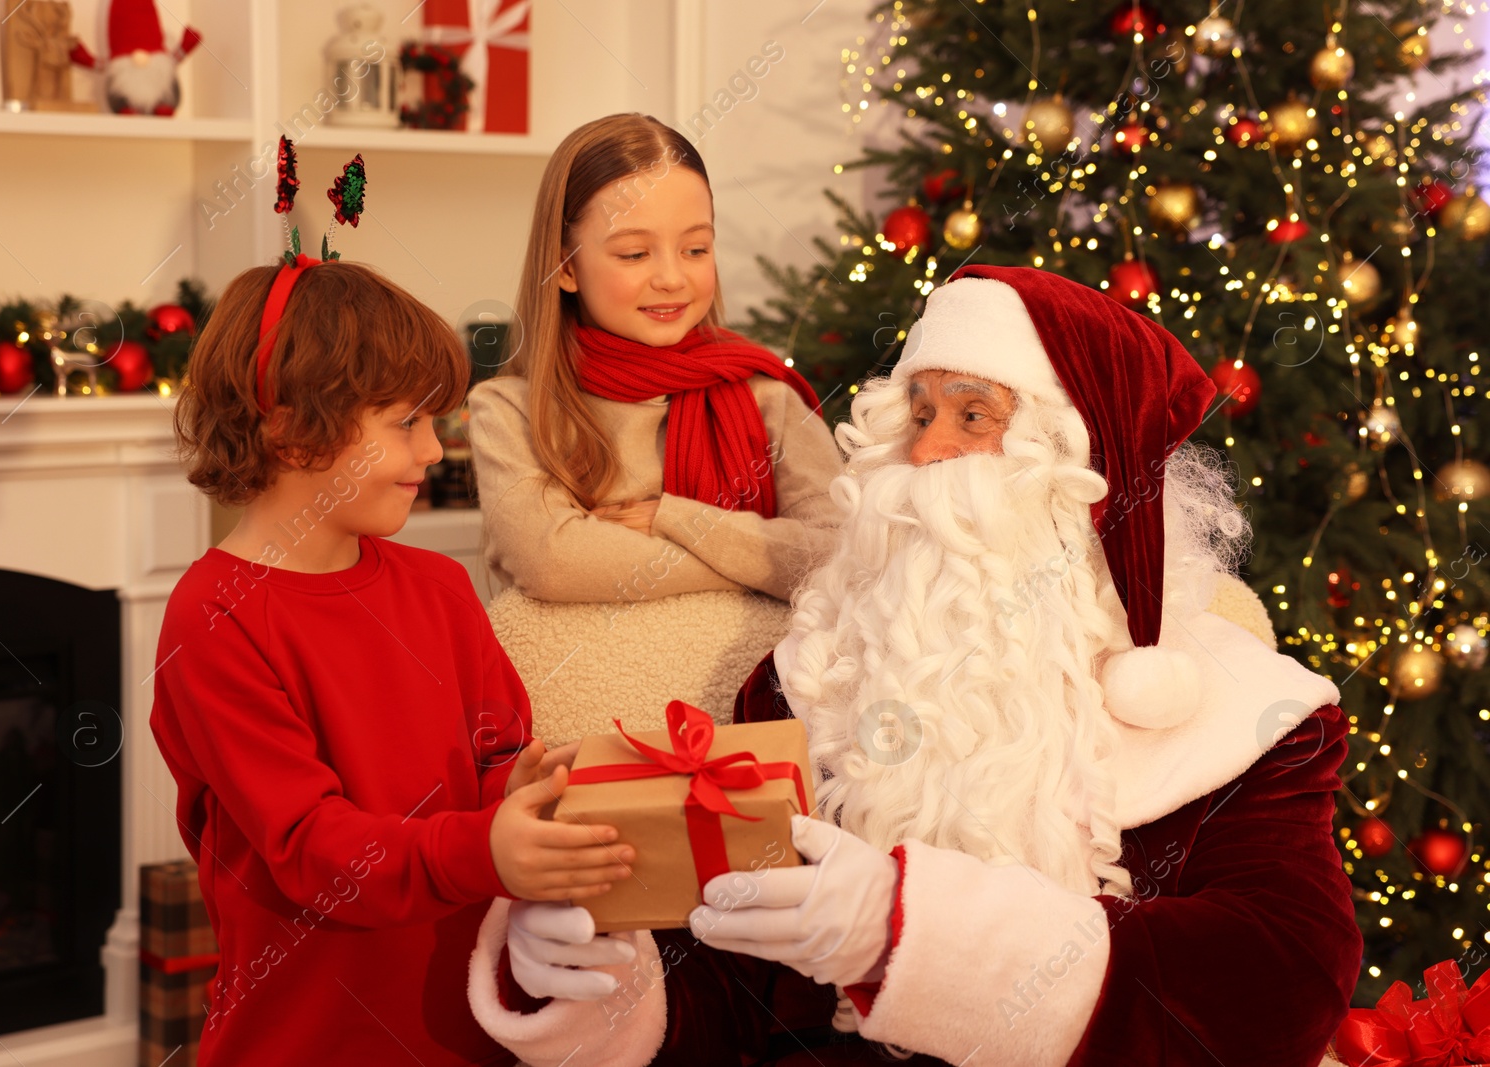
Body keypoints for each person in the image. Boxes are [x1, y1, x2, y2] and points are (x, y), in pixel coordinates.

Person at [464, 266, 1363, 1066]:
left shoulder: (1248, 711)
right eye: (919, 414)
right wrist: (609, 979)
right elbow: (733, 980)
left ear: (1078, 464)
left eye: (973, 417)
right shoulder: (807, 678)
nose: (927, 452)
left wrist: (905, 934)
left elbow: (1277, 983)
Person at [152, 256, 631, 1066]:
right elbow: (312, 846)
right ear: (289, 426)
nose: (436, 450)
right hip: (303, 1042)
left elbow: (491, 757)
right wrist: (484, 848)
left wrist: (522, 789)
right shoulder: (213, 618)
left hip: (469, 1031)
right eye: (406, 422)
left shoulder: (439, 588)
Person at [467, 112, 844, 745]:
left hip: (757, 745)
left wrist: (677, 518)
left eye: (696, 248)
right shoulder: (510, 409)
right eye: (635, 253)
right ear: (565, 266)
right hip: (578, 753)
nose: (672, 276)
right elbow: (552, 560)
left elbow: (835, 554)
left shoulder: (767, 399)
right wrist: (754, 560)